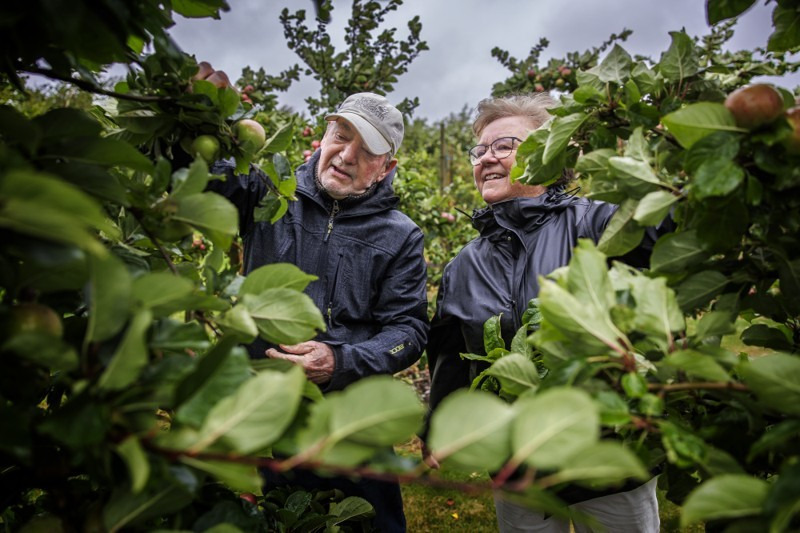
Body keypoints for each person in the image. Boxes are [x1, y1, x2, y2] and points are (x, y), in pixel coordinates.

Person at [204, 67, 428, 532]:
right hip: (263, 406)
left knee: (370, 523)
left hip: (349, 419)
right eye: (341, 136)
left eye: (367, 151)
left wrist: (339, 359)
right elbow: (202, 179)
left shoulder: (401, 236)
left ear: (387, 169)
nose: (346, 155)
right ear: (323, 135)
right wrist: (202, 118)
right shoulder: (268, 191)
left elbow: (408, 331)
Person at [425, 92, 660, 533]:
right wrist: (437, 423)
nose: (486, 158)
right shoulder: (465, 264)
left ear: (548, 156)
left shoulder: (597, 224)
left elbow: (670, 236)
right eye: (480, 150)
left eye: (503, 146)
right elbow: (450, 351)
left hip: (609, 463)